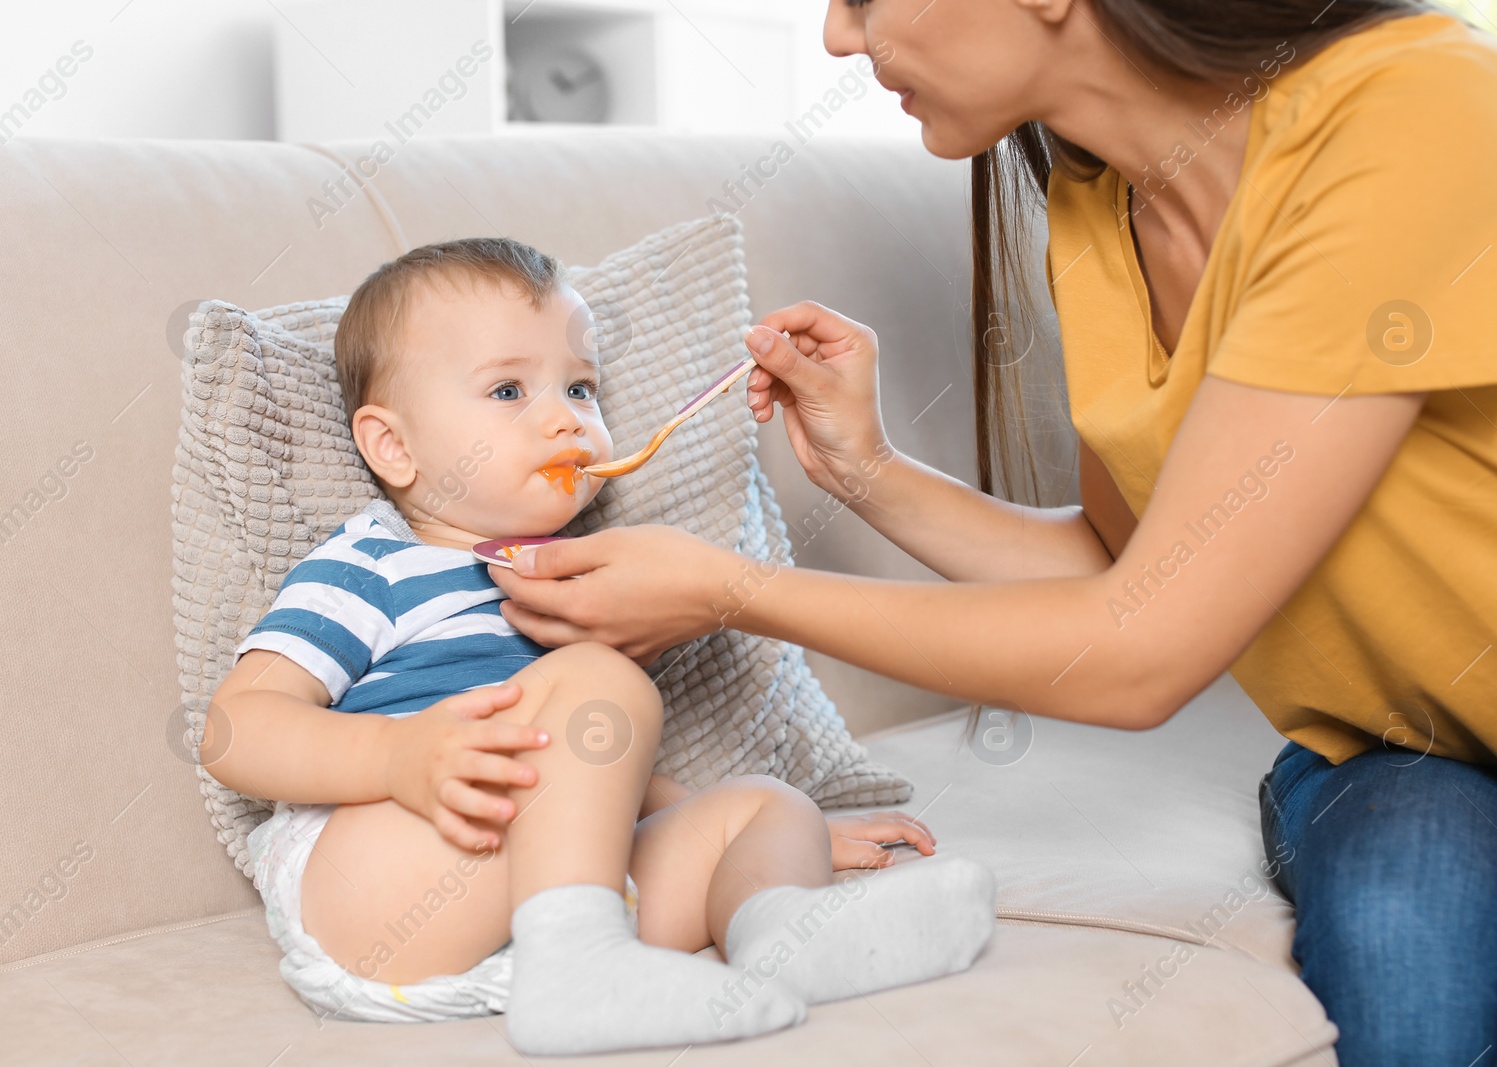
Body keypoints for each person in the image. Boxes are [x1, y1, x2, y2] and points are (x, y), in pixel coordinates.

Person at [485, 3, 1497, 1064]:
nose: (836, 34)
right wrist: (869, 472)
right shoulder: (1095, 202)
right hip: (1434, 767)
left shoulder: (1415, 113)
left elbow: (1141, 651)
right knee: (1408, 987)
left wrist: (733, 590)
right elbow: (1122, 567)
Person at [199, 237, 996, 1056]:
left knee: (766, 802)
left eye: (581, 387)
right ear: (393, 446)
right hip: (381, 882)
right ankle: (578, 964)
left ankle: (782, 927)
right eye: (509, 388)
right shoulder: (373, 565)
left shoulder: (574, 587)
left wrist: (771, 851)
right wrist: (397, 754)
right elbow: (236, 729)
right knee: (597, 678)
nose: (564, 416)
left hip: (529, 902)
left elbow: (595, 773)